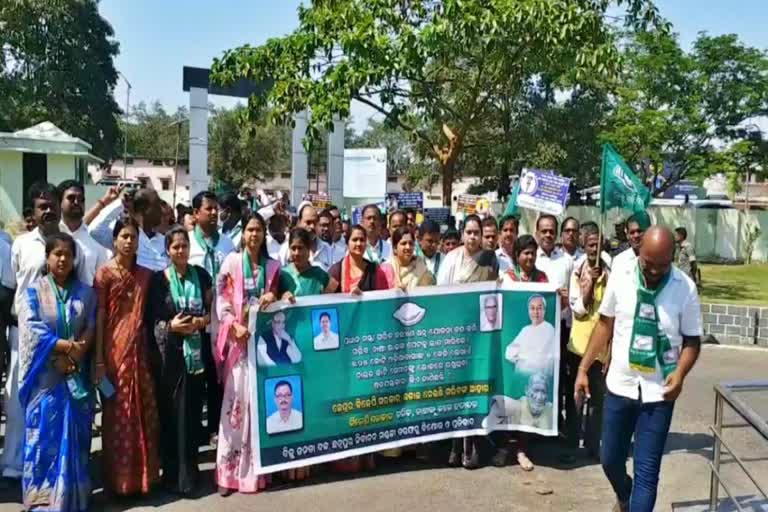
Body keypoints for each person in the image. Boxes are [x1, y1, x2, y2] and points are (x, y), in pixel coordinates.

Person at [575, 226, 702, 512]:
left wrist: (680, 373)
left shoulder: (684, 288)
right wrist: (584, 368)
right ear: (639, 252)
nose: (653, 271)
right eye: (647, 263)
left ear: (672, 257)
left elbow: (693, 341)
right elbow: (605, 324)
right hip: (621, 385)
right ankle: (624, 496)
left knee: (647, 472)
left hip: (659, 393)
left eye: (661, 265)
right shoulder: (621, 275)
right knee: (610, 460)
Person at [18, 233, 96, 512]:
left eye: (67, 254)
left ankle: (72, 499)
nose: (62, 259)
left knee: (76, 437)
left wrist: (75, 354)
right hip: (45, 379)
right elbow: (31, 328)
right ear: (48, 258)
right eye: (57, 254)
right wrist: (60, 351)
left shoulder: (86, 292)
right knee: (42, 438)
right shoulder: (33, 291)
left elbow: (91, 324)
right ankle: (42, 501)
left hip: (76, 375)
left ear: (75, 259)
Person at [6, 182, 78, 479]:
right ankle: (12, 465)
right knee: (17, 399)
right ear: (33, 213)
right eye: (41, 206)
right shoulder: (21, 244)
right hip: (23, 335)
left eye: (51, 204)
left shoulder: (68, 244)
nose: (48, 210)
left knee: (53, 403)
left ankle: (48, 467)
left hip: (61, 339)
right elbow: (11, 287)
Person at [93, 215, 160, 496]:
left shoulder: (146, 275)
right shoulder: (104, 274)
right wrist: (98, 359)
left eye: (133, 237)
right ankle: (119, 481)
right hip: (112, 353)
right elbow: (100, 316)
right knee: (118, 414)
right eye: (125, 236)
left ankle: (144, 478)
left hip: (140, 352)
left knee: (144, 412)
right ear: (114, 240)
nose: (129, 241)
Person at [215, 212, 281, 497]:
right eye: (250, 229)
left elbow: (282, 298)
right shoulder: (230, 263)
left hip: (263, 347)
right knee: (234, 409)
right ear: (243, 234)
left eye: (259, 230)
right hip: (239, 345)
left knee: (257, 409)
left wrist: (275, 297)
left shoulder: (273, 266)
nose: (254, 235)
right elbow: (221, 300)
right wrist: (233, 326)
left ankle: (255, 472)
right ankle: (227, 474)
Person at [146, 226, 213, 496]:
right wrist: (171, 326)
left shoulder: (202, 275)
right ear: (167, 251)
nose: (181, 250)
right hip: (171, 360)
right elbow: (152, 320)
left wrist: (202, 321)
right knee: (173, 417)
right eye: (175, 247)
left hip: (197, 356)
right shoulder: (159, 280)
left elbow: (212, 311)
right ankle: (173, 476)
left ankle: (191, 475)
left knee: (193, 415)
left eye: (184, 245)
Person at [437, 214, 498, 469]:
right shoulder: (451, 259)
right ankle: (453, 445)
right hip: (455, 332)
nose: (473, 237)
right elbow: (441, 294)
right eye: (469, 232)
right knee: (455, 389)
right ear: (462, 234)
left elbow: (496, 291)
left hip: (480, 335)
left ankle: (471, 446)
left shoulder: (489, 260)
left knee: (475, 388)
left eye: (477, 233)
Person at [328, 224, 387, 473]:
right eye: (354, 240)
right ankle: (346, 455)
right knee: (346, 398)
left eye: (362, 240)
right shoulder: (336, 270)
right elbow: (325, 298)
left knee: (367, 398)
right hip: (343, 345)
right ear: (347, 242)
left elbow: (386, 301)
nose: (359, 244)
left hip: (368, 344)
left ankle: (368, 453)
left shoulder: (375, 271)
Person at [188, 191, 235, 445]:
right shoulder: (187, 243)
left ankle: (218, 429)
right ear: (196, 214)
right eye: (209, 209)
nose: (215, 213)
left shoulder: (227, 243)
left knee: (219, 379)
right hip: (196, 323)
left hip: (222, 323)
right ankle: (195, 429)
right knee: (196, 378)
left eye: (216, 209)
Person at [566, 222, 611, 460]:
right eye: (591, 245)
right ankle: (573, 445)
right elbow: (578, 310)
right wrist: (589, 285)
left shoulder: (611, 271)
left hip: (601, 349)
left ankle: (593, 446)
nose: (594, 249)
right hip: (580, 346)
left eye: (598, 245)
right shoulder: (577, 271)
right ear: (584, 247)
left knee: (598, 400)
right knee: (577, 399)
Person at [88, 187, 169, 271]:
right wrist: (120, 203)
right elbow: (94, 232)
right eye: (157, 205)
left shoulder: (165, 241)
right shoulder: (125, 237)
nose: (162, 210)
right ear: (144, 209)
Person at [58, 180, 109, 286]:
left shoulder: (95, 243)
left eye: (81, 199)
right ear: (60, 203)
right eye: (71, 198)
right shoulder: (51, 236)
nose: (77, 202)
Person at [280, 228, 339, 299]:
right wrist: (282, 296)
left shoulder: (319, 275)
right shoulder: (283, 275)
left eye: (300, 248)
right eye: (293, 248)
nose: (297, 253)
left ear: (308, 249)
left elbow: (333, 298)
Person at [505, 294, 557, 374]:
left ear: (544, 310)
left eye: (539, 308)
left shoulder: (549, 329)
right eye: (532, 308)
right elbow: (509, 352)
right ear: (528, 311)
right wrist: (521, 357)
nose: (535, 312)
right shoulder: (525, 330)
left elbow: (548, 360)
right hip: (522, 376)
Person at [482, 373, 554, 430]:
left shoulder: (551, 410)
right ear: (526, 390)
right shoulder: (514, 406)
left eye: (543, 392)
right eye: (536, 390)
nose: (539, 397)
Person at [279, 203, 334, 271]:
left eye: (315, 222)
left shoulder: (327, 249)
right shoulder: (286, 249)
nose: (312, 226)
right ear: (299, 222)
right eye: (308, 222)